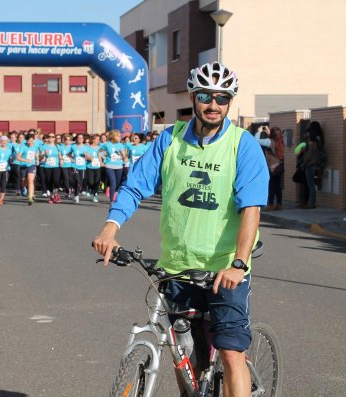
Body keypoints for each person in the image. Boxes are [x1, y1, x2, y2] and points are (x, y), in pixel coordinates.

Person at [93, 62, 269, 397]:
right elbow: (134, 187)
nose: (213, 104)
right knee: (183, 354)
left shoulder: (241, 145)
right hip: (177, 268)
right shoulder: (170, 140)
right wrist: (109, 228)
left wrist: (238, 264)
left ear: (230, 102)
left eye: (222, 97)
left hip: (224, 270)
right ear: (193, 97)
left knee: (231, 352)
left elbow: (251, 209)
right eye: (205, 96)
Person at [99, 130, 127, 204]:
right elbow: (99, 152)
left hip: (119, 166)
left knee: (118, 183)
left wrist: (122, 154)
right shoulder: (107, 145)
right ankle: (112, 201)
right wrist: (101, 162)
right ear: (113, 137)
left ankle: (115, 192)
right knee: (113, 183)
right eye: (118, 136)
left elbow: (125, 158)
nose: (120, 137)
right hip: (109, 166)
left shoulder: (121, 145)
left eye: (120, 136)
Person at [265, 127, 285, 211]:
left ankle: (270, 204)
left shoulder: (270, 142)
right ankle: (279, 204)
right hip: (279, 166)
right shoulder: (281, 142)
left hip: (272, 166)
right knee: (278, 186)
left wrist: (266, 134)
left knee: (271, 186)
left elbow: (257, 140)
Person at [16, 133, 39, 205]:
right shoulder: (23, 146)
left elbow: (36, 154)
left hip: (32, 165)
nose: (30, 142)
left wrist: (37, 160)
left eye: (31, 141)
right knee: (24, 182)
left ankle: (30, 197)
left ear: (33, 140)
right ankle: (23, 186)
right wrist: (26, 160)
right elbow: (18, 157)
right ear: (26, 141)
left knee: (30, 180)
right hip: (23, 166)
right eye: (28, 141)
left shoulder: (35, 147)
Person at [40, 134, 61, 204]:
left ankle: (55, 195)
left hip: (56, 166)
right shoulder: (44, 146)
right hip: (47, 166)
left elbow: (60, 156)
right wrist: (43, 154)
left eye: (53, 137)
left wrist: (61, 160)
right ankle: (53, 195)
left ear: (54, 138)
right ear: (48, 138)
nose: (51, 138)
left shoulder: (57, 146)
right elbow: (40, 158)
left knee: (56, 181)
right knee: (49, 181)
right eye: (50, 137)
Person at [0, 136, 12, 206]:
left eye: (5, 141)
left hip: (5, 169)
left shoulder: (9, 150)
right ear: (0, 142)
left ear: (7, 142)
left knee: (3, 184)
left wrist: (10, 163)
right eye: (2, 141)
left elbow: (10, 159)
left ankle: (1, 199)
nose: (3, 142)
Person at [71, 134, 88, 203]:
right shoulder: (73, 146)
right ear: (76, 139)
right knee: (77, 180)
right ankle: (76, 196)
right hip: (75, 166)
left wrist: (86, 155)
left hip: (83, 167)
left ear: (83, 139)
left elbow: (90, 157)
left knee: (80, 181)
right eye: (79, 138)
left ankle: (76, 194)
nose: (80, 139)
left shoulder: (86, 147)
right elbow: (68, 154)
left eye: (81, 138)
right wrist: (71, 158)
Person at [84, 135, 102, 202]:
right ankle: (90, 189)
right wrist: (90, 158)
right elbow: (86, 157)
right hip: (90, 167)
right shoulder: (88, 148)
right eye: (97, 139)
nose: (98, 140)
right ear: (93, 140)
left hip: (98, 167)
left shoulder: (100, 148)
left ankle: (95, 195)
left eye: (98, 139)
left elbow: (103, 156)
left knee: (97, 182)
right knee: (91, 182)